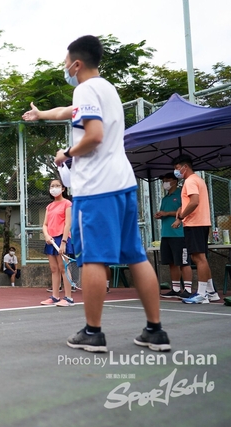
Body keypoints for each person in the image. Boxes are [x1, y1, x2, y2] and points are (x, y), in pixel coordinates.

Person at [22, 35, 169, 353]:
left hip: (98, 188)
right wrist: (42, 114)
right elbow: (69, 111)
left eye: (65, 64)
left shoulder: (85, 88)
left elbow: (95, 135)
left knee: (93, 259)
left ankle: (93, 332)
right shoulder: (106, 89)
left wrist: (67, 153)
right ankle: (155, 330)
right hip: (123, 183)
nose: (65, 69)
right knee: (136, 256)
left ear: (76, 64)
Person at [172, 155, 220, 304]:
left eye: (177, 168)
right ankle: (211, 292)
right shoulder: (199, 180)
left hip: (195, 223)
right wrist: (182, 212)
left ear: (184, 167)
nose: (176, 171)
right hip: (201, 222)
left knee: (199, 258)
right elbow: (190, 202)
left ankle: (201, 294)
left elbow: (194, 202)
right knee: (200, 258)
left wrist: (181, 216)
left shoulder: (190, 181)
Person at [154, 173, 193, 299]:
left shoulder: (182, 194)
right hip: (166, 234)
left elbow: (184, 210)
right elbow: (167, 214)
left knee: (183, 262)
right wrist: (161, 215)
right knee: (171, 262)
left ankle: (187, 288)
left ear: (175, 181)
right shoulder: (165, 198)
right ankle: (175, 288)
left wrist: (167, 213)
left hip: (179, 234)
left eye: (168, 180)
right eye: (163, 180)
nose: (165, 182)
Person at [40, 179, 75, 307]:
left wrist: (64, 242)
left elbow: (68, 224)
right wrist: (47, 235)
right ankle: (55, 297)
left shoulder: (67, 203)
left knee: (63, 268)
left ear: (63, 188)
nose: (54, 188)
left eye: (57, 186)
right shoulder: (49, 206)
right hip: (51, 240)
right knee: (54, 269)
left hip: (62, 239)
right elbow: (44, 224)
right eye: (52, 186)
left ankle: (68, 298)